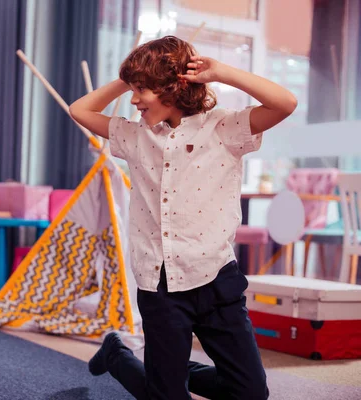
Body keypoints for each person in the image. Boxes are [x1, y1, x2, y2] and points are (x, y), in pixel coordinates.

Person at [69, 35, 297, 399]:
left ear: (173, 86)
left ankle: (150, 366)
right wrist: (129, 77)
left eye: (142, 89)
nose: (133, 98)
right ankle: (129, 360)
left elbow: (285, 102)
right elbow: (79, 110)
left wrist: (220, 72)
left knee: (251, 393)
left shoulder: (224, 128)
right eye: (133, 88)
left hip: (215, 281)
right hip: (160, 287)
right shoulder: (135, 136)